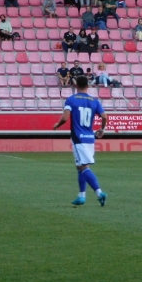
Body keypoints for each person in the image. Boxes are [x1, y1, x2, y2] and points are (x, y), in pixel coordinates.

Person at [52, 75, 108, 206]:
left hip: (78, 137)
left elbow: (65, 118)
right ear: (88, 86)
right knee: (81, 166)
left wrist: (57, 125)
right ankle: (81, 195)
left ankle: (100, 193)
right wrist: (102, 129)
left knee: (83, 167)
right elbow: (104, 116)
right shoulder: (94, 101)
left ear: (76, 85)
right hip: (90, 138)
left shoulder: (71, 100)